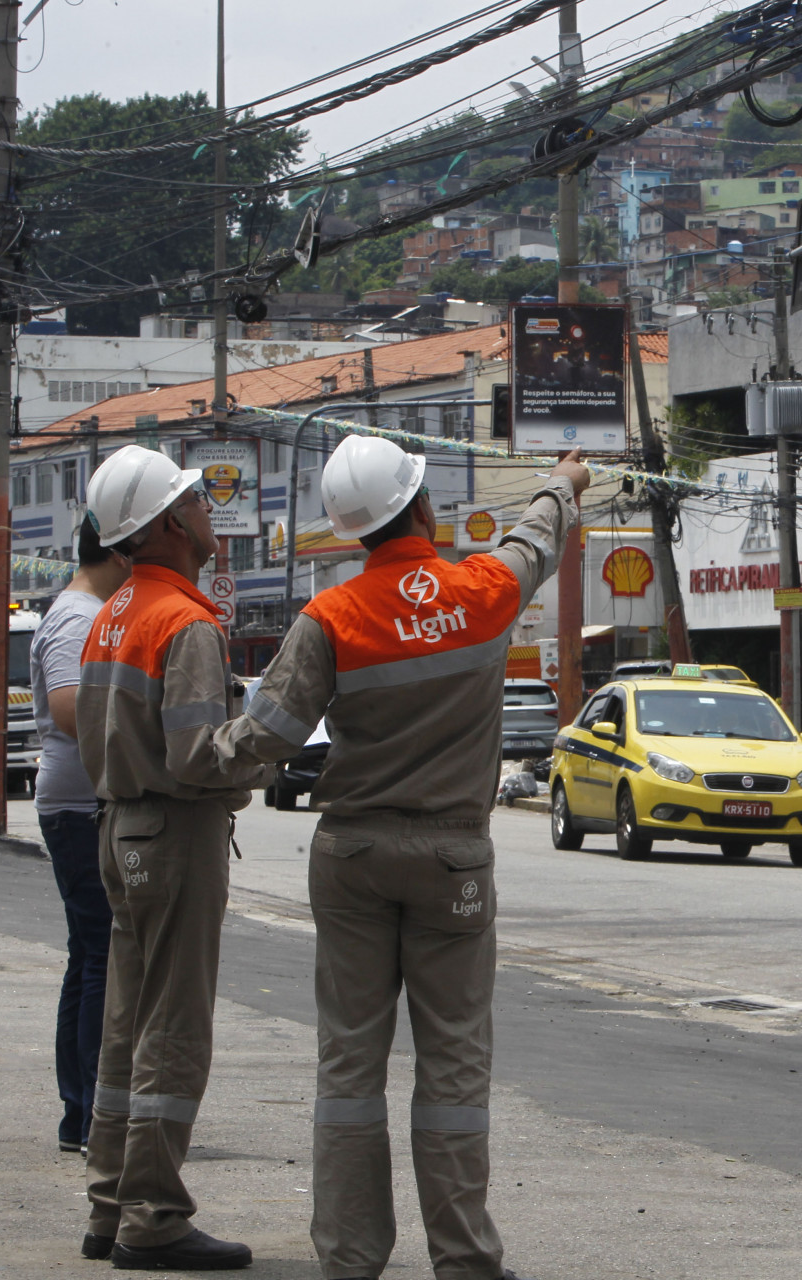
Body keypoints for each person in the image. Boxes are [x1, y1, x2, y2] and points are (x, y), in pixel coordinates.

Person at [214, 436, 588, 1280]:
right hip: (453, 861)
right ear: (421, 507)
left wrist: (185, 767)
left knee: (349, 1059)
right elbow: (534, 540)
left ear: (353, 531)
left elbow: (266, 738)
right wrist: (562, 482)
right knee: (453, 1060)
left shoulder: (330, 618)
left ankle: (350, 1257)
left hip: (351, 854)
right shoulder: (482, 590)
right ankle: (464, 1258)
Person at [76, 444, 273, 1270]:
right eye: (192, 499)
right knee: (174, 1026)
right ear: (165, 525)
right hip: (175, 831)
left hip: (121, 827)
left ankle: (110, 1201)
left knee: (128, 1022)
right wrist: (266, 749)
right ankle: (153, 1215)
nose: (206, 508)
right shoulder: (185, 623)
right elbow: (197, 757)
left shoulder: (116, 613)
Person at [33, 514, 132, 1157]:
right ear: (120, 556)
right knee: (101, 954)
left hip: (76, 801)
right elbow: (71, 709)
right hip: (78, 806)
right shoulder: (77, 618)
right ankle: (95, 1108)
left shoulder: (83, 612)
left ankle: (80, 1111)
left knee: (87, 953)